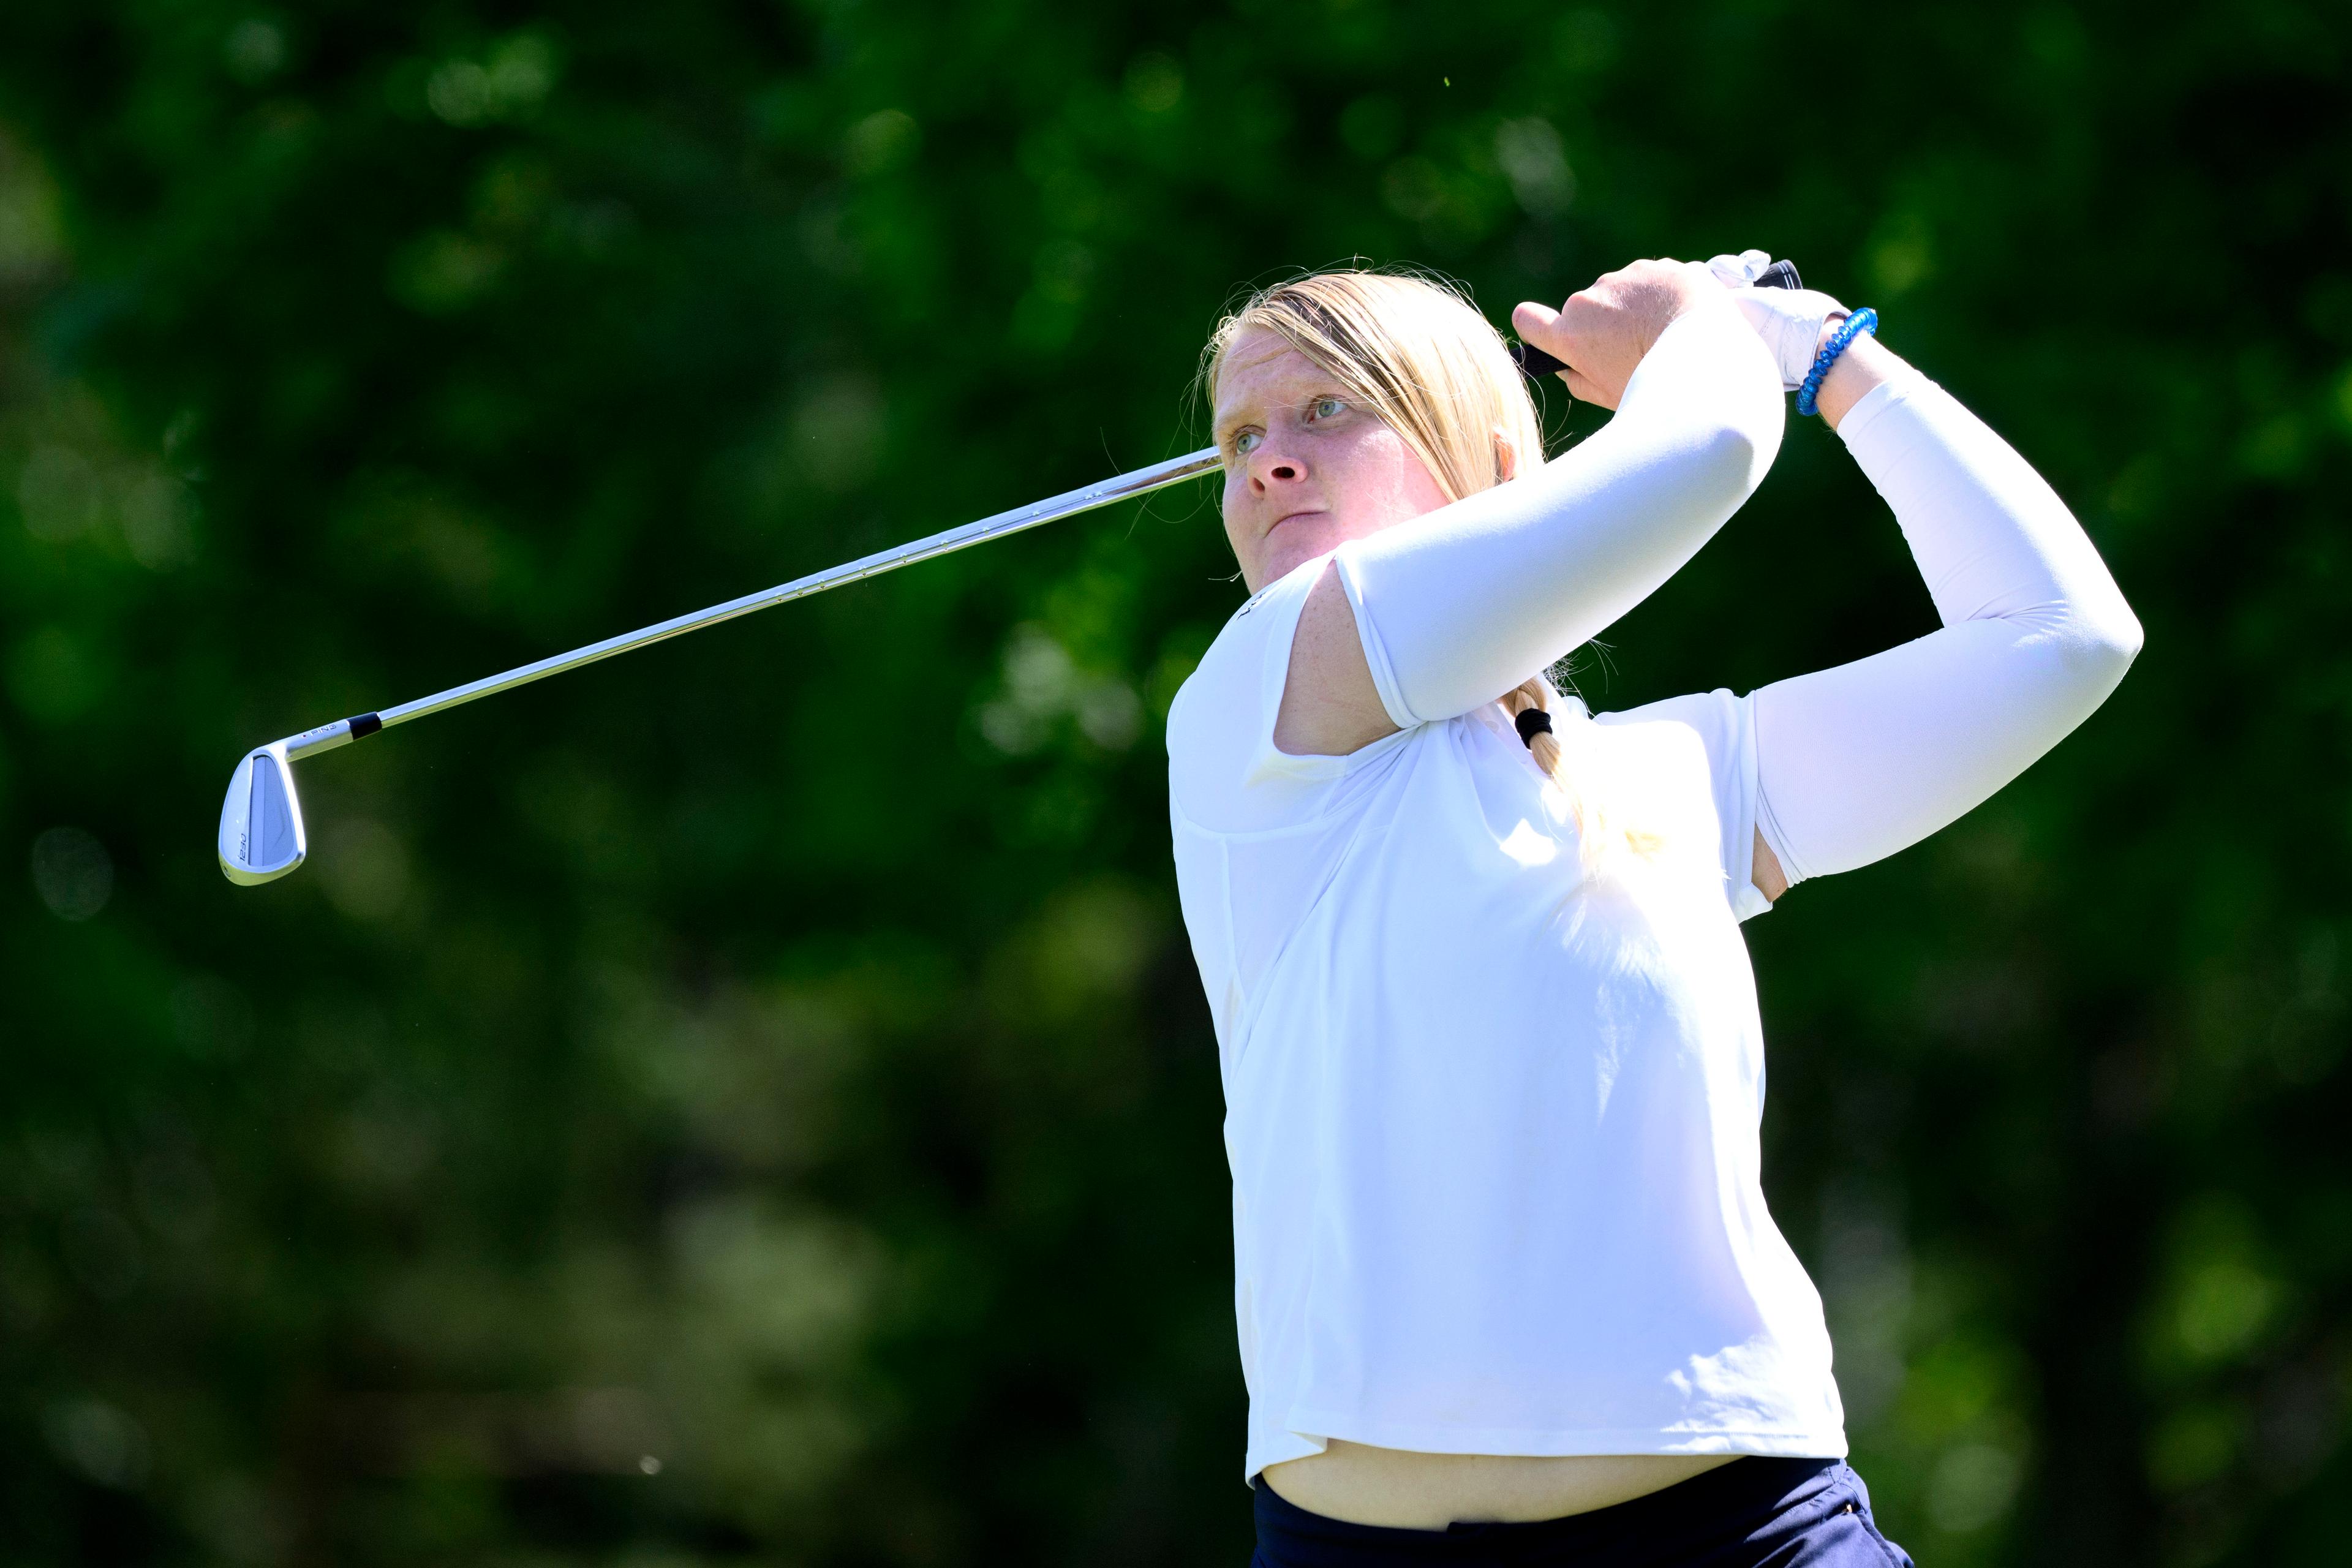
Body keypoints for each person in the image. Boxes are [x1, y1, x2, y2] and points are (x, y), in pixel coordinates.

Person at [1164, 255, 2143, 1566]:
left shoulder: (1674, 777)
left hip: (1752, 1533)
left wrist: (1821, 351)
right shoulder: (1253, 701)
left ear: (1504, 464)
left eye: (1331, 409)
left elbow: (2063, 633)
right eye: (1241, 436)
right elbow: (1711, 445)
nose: (1270, 461)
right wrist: (1699, 326)